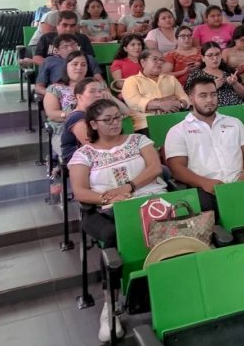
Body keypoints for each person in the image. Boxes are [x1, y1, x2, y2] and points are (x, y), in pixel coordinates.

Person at [68, 97, 167, 340]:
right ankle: (110, 306)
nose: (115, 123)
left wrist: (129, 188)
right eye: (107, 119)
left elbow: (155, 168)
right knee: (114, 236)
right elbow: (80, 192)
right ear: (93, 124)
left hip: (149, 200)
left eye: (117, 117)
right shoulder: (85, 154)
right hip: (106, 208)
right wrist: (108, 197)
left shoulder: (138, 140)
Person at [164, 73, 244, 212]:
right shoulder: (177, 131)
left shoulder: (234, 122)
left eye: (213, 94)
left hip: (241, 182)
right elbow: (177, 169)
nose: (210, 100)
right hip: (206, 189)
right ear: (191, 98)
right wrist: (203, 182)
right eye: (203, 95)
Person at [122, 50, 190, 133]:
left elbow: (185, 98)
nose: (159, 62)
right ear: (143, 62)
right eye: (155, 59)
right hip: (146, 124)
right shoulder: (132, 81)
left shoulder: (170, 78)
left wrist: (180, 103)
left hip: (174, 120)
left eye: (161, 60)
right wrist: (162, 104)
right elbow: (134, 102)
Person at [59, 78, 107, 164]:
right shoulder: (77, 117)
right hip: (78, 160)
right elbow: (93, 145)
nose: (98, 95)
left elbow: (126, 112)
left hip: (97, 154)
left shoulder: (95, 113)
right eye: (92, 91)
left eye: (100, 91)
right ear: (79, 96)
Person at [43, 50, 91, 127]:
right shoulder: (55, 89)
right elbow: (52, 114)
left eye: (83, 65)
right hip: (67, 128)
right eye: (75, 64)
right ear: (66, 67)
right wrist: (77, 116)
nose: (79, 67)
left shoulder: (95, 87)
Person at [32, 10, 96, 67]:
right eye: (64, 25)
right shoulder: (46, 38)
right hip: (52, 72)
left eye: (72, 26)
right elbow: (37, 58)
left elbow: (90, 59)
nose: (68, 29)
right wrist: (59, 65)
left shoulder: (83, 38)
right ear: (57, 25)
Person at [196, 42, 244, 106]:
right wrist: (212, 87)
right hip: (213, 111)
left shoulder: (229, 71)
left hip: (238, 107)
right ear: (203, 58)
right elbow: (193, 98)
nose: (215, 58)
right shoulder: (197, 75)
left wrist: (235, 84)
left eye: (217, 54)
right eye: (210, 55)